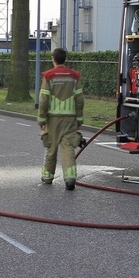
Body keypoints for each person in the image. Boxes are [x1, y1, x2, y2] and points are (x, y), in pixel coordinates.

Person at [37, 47, 85, 190]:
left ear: (53, 59)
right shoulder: (74, 76)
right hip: (70, 119)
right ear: (65, 59)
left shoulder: (48, 76)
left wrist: (41, 119)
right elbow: (80, 99)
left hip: (53, 119)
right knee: (68, 148)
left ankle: (47, 177)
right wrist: (79, 119)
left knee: (51, 148)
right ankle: (70, 179)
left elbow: (44, 99)